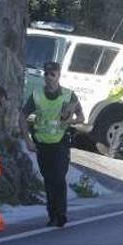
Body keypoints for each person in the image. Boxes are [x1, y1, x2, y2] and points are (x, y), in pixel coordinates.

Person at [21, 62, 84, 228]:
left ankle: (61, 214)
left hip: (60, 143)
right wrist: (27, 140)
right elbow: (23, 116)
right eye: (46, 74)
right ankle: (52, 215)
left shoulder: (68, 95)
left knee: (58, 178)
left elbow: (81, 117)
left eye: (52, 74)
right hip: (42, 143)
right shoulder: (37, 95)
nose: (49, 78)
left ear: (58, 75)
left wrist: (69, 120)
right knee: (48, 180)